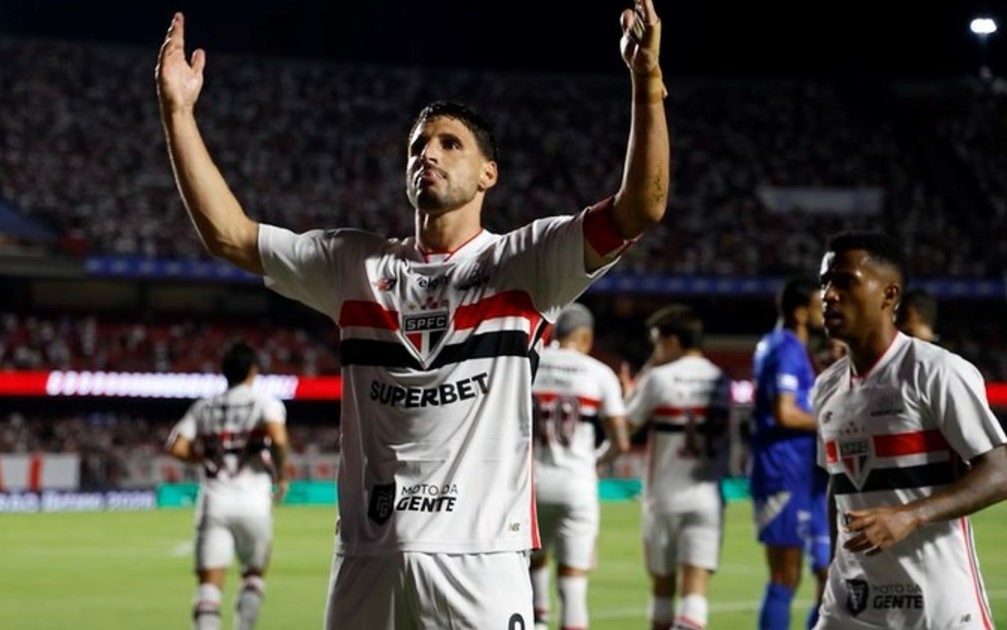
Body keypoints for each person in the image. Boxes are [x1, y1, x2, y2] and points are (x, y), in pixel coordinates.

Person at [155, 0, 669, 624]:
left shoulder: (526, 263)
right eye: (418, 145)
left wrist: (646, 81)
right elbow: (229, 236)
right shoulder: (353, 264)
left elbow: (640, 208)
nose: (429, 153)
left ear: (488, 174)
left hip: (479, 561)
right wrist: (178, 112)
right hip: (365, 559)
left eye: (450, 144)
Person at [813, 229, 1007, 629]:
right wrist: (835, 564)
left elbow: (1000, 471)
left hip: (934, 606)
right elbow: (838, 485)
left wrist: (910, 516)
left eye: (845, 282)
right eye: (825, 283)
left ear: (889, 295)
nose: (828, 295)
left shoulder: (936, 372)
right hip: (852, 603)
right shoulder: (826, 387)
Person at [166, 341, 291, 630]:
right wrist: (281, 476)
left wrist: (204, 459)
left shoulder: (204, 406)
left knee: (208, 589)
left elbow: (176, 446)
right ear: (253, 371)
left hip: (214, 501)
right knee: (253, 577)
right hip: (254, 501)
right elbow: (278, 438)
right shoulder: (265, 403)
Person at [621, 304, 731, 630]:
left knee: (663, 586)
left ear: (671, 340)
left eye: (657, 343)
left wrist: (635, 387)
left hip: (665, 498)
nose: (655, 351)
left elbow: (625, 427)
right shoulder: (721, 379)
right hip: (708, 499)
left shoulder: (659, 379)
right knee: (696, 589)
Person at [528, 302, 628, 629]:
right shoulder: (598, 372)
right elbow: (621, 441)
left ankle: (538, 619)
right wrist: (597, 459)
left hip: (530, 485)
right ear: (585, 336)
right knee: (573, 580)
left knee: (533, 563)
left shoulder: (531, 362)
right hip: (576, 483)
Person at [749, 274, 830, 630]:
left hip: (803, 475)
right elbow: (785, 412)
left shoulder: (787, 348)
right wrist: (833, 424)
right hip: (783, 471)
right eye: (818, 306)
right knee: (785, 575)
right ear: (800, 313)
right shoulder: (785, 349)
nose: (825, 312)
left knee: (825, 577)